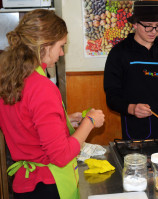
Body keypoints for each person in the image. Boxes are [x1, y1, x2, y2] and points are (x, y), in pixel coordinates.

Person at [0, 9, 105, 199]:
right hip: (47, 185)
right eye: (61, 46)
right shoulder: (42, 87)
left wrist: (64, 120)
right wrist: (89, 121)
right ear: (45, 46)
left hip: (24, 184)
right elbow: (61, 155)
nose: (62, 52)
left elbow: (28, 124)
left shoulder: (10, 78)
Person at [104, 1, 158, 140]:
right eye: (148, 26)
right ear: (135, 24)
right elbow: (112, 96)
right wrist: (132, 108)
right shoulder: (119, 53)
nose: (153, 32)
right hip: (135, 129)